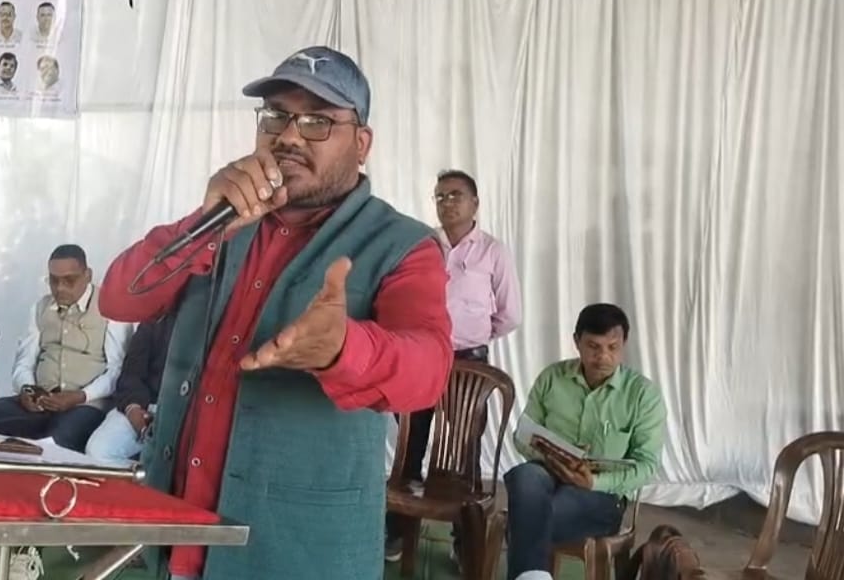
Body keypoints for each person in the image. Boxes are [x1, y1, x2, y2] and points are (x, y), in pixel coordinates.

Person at [99, 45, 453, 580]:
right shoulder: (224, 221)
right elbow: (121, 297)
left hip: (299, 553)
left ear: (362, 144)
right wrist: (205, 222)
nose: (289, 136)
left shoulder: (401, 244)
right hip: (177, 536)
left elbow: (428, 370)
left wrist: (343, 349)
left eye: (317, 121)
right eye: (277, 116)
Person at [386, 168, 523, 562]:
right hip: (422, 356)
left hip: (469, 362)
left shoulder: (493, 251)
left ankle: (464, 542)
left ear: (475, 203)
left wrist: (474, 335)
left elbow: (510, 313)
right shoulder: (422, 245)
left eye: (456, 195)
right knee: (410, 446)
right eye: (440, 196)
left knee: (465, 454)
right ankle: (397, 534)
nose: (447, 203)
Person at [506, 303, 666, 580]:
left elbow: (647, 465)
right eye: (593, 346)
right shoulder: (552, 378)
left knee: (530, 515)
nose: (603, 356)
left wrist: (593, 482)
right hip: (548, 474)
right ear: (576, 342)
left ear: (624, 344)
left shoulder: (643, 395)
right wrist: (552, 459)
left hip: (602, 494)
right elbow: (522, 437)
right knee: (524, 475)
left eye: (612, 347)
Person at [0, 245, 129, 452]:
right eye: (54, 280)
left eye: (69, 280)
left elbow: (117, 371)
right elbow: (25, 361)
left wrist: (81, 396)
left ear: (88, 275)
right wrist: (28, 390)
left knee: (56, 444)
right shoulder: (41, 307)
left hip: (86, 404)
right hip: (40, 401)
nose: (60, 288)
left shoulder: (111, 308)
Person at [85, 314, 174, 466]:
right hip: (144, 404)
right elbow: (131, 372)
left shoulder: (210, 327)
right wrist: (133, 408)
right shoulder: (156, 318)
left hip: (185, 413)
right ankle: (144, 476)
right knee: (98, 452)